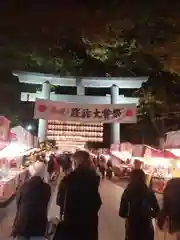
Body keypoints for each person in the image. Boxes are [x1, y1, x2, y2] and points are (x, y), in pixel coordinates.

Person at [56, 150, 102, 240]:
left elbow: (59, 201)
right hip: (89, 224)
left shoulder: (68, 180)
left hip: (71, 223)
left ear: (75, 162)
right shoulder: (94, 179)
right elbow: (97, 203)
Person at [119, 169, 159, 240]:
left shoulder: (127, 192)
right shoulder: (149, 192)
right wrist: (148, 212)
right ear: (143, 178)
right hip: (146, 228)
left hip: (132, 228)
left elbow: (122, 213)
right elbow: (157, 212)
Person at [12, 171, 51, 240]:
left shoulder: (23, 187)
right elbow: (46, 204)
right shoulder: (47, 188)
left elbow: (18, 207)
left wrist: (15, 226)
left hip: (22, 224)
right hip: (39, 225)